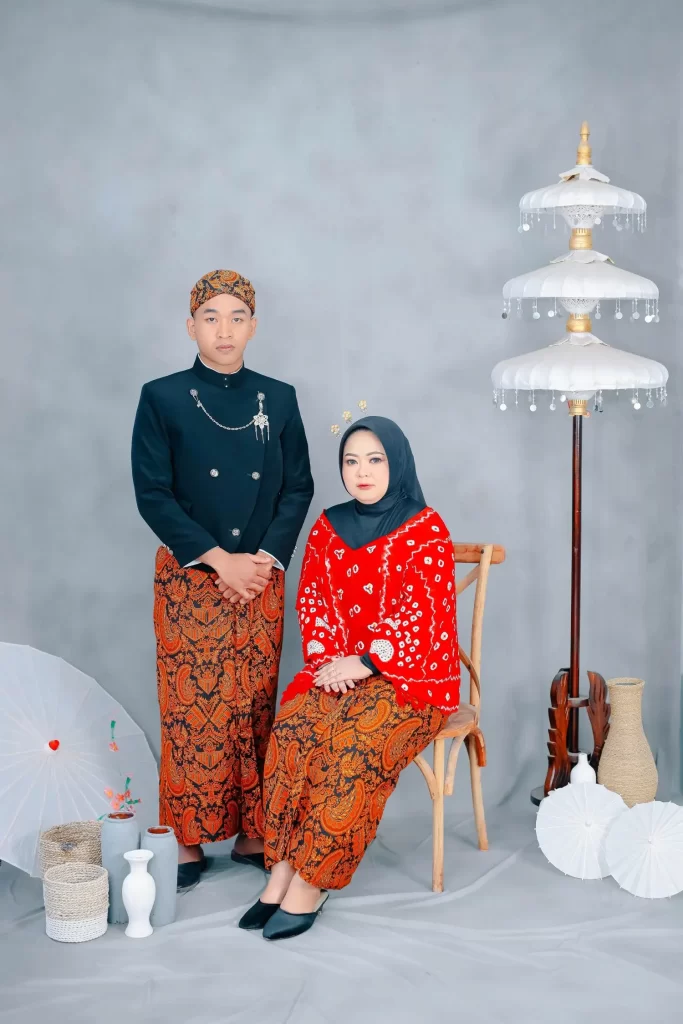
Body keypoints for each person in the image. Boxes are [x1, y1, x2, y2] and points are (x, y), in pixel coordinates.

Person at [239, 416, 459, 939]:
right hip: (339, 668)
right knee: (295, 728)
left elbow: (424, 614)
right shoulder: (329, 525)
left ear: (396, 463)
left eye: (375, 460)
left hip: (412, 680)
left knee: (353, 745)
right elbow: (313, 600)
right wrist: (328, 662)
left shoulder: (426, 528)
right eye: (351, 461)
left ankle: (312, 881)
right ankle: (282, 868)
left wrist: (366, 662)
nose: (362, 472)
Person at [131, 269, 313, 891]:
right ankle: (185, 836)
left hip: (260, 575)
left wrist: (263, 558)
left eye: (237, 317)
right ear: (191, 327)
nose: (224, 329)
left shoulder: (278, 398)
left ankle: (252, 831)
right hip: (190, 578)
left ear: (253, 326)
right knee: (189, 708)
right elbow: (153, 494)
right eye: (211, 317)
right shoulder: (162, 397)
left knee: (253, 703)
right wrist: (217, 559)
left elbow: (298, 487)